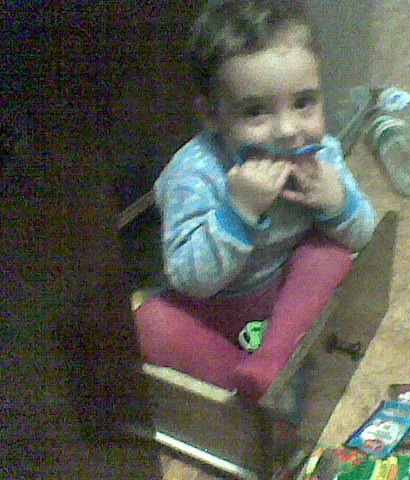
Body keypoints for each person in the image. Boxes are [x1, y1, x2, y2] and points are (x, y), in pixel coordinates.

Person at [134, 0, 376, 402]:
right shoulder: (193, 174)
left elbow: (364, 235)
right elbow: (189, 280)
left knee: (330, 254)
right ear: (212, 115)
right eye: (255, 111)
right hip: (213, 307)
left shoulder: (321, 155)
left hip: (283, 297)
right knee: (148, 323)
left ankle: (272, 360)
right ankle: (248, 382)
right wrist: (238, 212)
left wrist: (338, 204)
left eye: (304, 103)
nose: (288, 131)